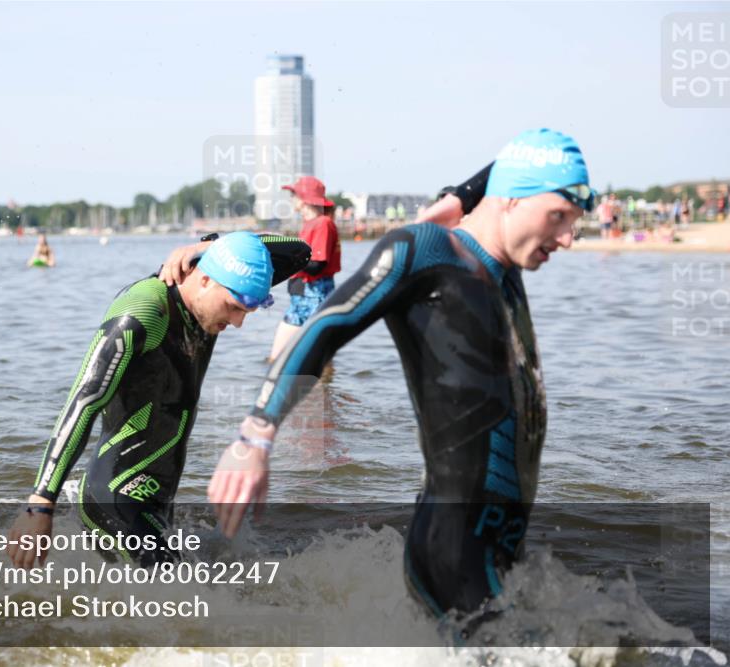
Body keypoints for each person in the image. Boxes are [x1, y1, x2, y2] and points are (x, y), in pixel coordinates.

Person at [207, 128, 594, 620]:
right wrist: (256, 437)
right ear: (511, 200)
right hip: (453, 555)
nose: (567, 237)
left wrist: (460, 196)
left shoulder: (503, 266)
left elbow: (515, 157)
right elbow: (323, 329)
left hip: (501, 550)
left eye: (574, 221)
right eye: (558, 217)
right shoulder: (429, 251)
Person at [7, 232, 310, 568]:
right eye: (235, 307)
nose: (238, 322)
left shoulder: (206, 306)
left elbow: (299, 252)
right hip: (114, 496)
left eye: (249, 312)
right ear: (206, 280)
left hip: (158, 499)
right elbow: (83, 401)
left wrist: (202, 249)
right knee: (187, 603)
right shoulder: (142, 313)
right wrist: (40, 503)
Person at [267, 176, 342, 362]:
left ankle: (319, 388)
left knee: (279, 358)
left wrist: (282, 256)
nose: (291, 199)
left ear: (305, 199)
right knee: (313, 359)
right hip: (303, 295)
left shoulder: (323, 223)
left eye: (294, 195)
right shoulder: (311, 224)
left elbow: (317, 266)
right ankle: (324, 388)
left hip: (314, 294)